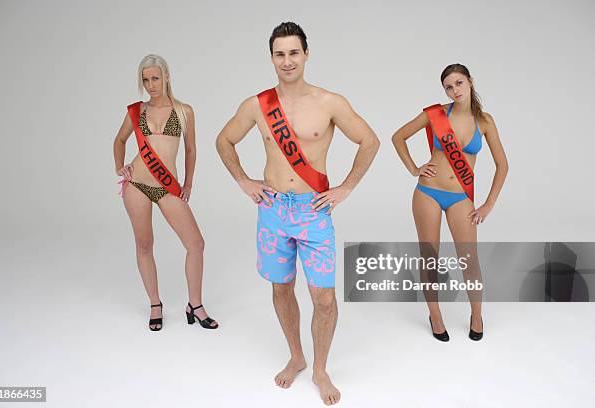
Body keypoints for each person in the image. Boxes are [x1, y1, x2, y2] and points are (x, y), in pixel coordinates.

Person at [216, 22, 379, 406]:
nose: (287, 61)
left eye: (293, 52)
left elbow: (369, 141)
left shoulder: (329, 102)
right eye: (279, 53)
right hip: (272, 212)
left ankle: (321, 370)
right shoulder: (257, 105)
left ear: (306, 54)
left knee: (324, 298)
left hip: (313, 211)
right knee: (280, 288)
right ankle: (296, 356)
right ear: (271, 57)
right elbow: (223, 140)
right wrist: (243, 180)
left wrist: (346, 187)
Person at [392, 63, 508, 341]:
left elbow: (502, 166)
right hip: (428, 192)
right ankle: (435, 315)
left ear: (470, 82)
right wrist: (413, 168)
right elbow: (398, 137)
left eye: (458, 83)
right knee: (429, 258)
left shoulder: (485, 121)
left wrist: (488, 204)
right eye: (448, 86)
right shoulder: (435, 114)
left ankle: (476, 315)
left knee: (469, 259)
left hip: (460, 197)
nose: (454, 90)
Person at [113, 54, 218, 331]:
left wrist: (188, 183)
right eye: (145, 80)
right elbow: (119, 140)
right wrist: (119, 167)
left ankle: (195, 304)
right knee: (145, 244)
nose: (150, 85)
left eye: (155, 78)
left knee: (195, 244)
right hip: (137, 184)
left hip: (167, 186)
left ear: (167, 77)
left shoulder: (184, 111)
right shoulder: (137, 110)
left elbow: (192, 149)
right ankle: (155, 304)